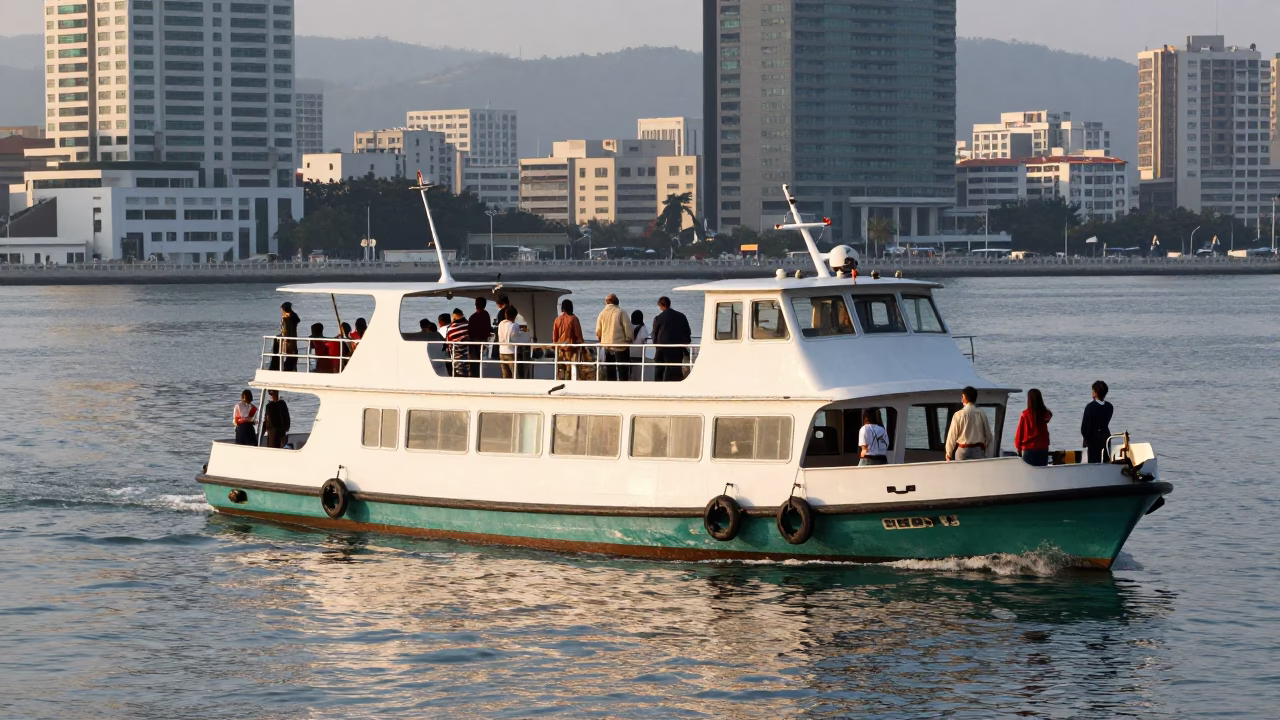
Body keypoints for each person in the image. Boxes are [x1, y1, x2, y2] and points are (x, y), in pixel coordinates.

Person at [945, 386, 993, 461]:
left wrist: (948, 453)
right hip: (977, 451)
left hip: (962, 451)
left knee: (961, 472)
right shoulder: (981, 413)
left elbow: (952, 436)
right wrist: (988, 454)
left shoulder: (958, 414)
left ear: (964, 397)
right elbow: (988, 436)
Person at [651, 296, 692, 382]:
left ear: (661, 305)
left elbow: (654, 334)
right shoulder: (681, 316)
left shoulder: (658, 318)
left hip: (662, 348)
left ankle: (658, 385)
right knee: (675, 369)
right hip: (677, 348)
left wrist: (656, 345)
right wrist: (686, 342)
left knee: (659, 369)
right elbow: (687, 332)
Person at [595, 293, 634, 381]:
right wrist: (629, 339)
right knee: (623, 369)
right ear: (617, 302)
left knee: (610, 368)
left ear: (606, 303)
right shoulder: (621, 312)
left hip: (606, 346)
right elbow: (628, 329)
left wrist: (602, 341)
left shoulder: (601, 314)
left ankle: (611, 384)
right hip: (620, 346)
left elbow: (598, 332)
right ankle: (623, 384)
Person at [1014, 388, 1053, 467]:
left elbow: (1019, 434)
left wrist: (1018, 448)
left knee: (1028, 475)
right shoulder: (1044, 415)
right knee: (1042, 473)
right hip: (1043, 448)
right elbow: (1049, 413)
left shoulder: (1025, 415)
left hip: (1029, 449)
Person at [1081, 380, 1114, 463]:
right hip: (1106, 436)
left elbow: (1085, 426)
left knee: (1094, 461)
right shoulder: (1109, 406)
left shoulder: (1090, 407)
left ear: (1095, 392)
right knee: (1106, 460)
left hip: (1093, 438)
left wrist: (1085, 438)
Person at [553, 298, 584, 380]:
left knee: (560, 370)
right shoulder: (574, 319)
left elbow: (554, 337)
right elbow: (578, 335)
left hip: (560, 350)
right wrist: (582, 347)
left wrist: (554, 347)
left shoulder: (557, 319)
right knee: (570, 371)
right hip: (571, 350)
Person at [467, 297, 492, 377]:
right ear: (485, 305)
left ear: (475, 305)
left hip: (474, 344)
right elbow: (488, 329)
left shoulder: (472, 317)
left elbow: (469, 332)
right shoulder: (486, 315)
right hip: (483, 343)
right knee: (482, 365)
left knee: (474, 366)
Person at [497, 305, 522, 378]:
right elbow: (515, 339)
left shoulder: (501, 324)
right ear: (515, 316)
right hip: (511, 352)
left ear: (505, 314)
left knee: (505, 375)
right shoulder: (514, 325)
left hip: (501, 351)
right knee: (515, 374)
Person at [276, 302, 301, 372]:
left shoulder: (286, 317)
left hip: (288, 339)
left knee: (290, 354)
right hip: (291, 339)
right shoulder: (293, 316)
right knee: (293, 354)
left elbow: (285, 329)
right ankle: (292, 367)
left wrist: (283, 335)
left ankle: (289, 367)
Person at [446, 308, 471, 378]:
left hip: (457, 356)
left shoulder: (451, 328)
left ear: (453, 317)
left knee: (459, 373)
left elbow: (449, 343)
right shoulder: (468, 325)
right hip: (469, 354)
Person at [629, 309, 649, 381]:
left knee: (630, 372)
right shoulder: (643, 328)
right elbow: (645, 338)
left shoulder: (629, 326)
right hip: (639, 354)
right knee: (638, 374)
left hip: (629, 353)